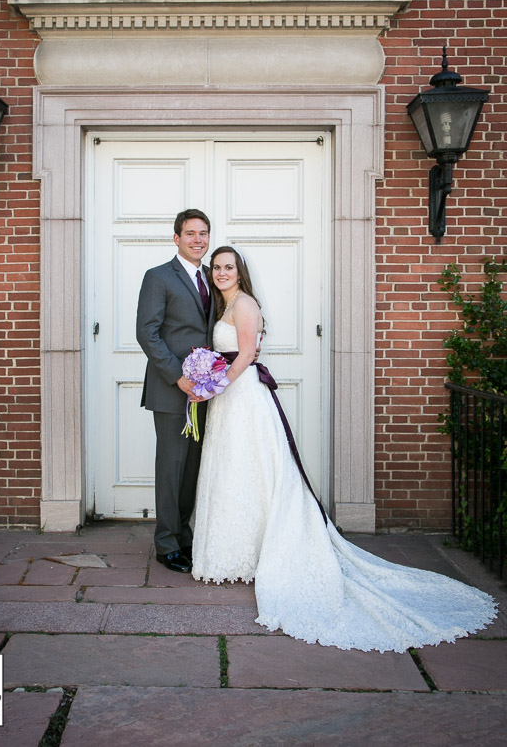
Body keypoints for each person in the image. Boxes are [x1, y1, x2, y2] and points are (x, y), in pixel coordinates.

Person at [191, 246, 497, 652]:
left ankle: (262, 552)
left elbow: (246, 353)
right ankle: (238, 551)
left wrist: (214, 384)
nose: (222, 272)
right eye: (217, 267)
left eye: (229, 267)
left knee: (251, 466)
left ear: (240, 272)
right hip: (231, 397)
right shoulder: (222, 306)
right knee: (232, 470)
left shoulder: (245, 304)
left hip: (242, 394)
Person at [136, 210, 215, 573]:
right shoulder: (158, 277)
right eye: (190, 233)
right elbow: (147, 333)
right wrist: (177, 377)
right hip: (171, 390)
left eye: (203, 233)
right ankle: (165, 544)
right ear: (176, 238)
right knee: (171, 468)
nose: (197, 239)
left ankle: (184, 536)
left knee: (193, 469)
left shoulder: (213, 279)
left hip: (206, 391)